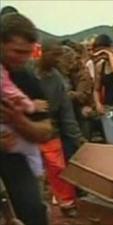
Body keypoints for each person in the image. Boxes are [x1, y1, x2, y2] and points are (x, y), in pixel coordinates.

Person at [0, 12, 52, 225]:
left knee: (32, 213)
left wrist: (17, 120)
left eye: (28, 53)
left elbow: (45, 131)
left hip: (15, 159)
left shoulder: (27, 77)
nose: (23, 58)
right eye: (17, 51)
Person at [34, 40, 80, 217]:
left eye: (59, 54)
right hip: (26, 129)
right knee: (32, 172)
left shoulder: (57, 80)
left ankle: (67, 203)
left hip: (50, 129)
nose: (58, 59)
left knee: (58, 167)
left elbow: (66, 113)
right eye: (54, 54)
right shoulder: (27, 72)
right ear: (43, 53)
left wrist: (77, 139)